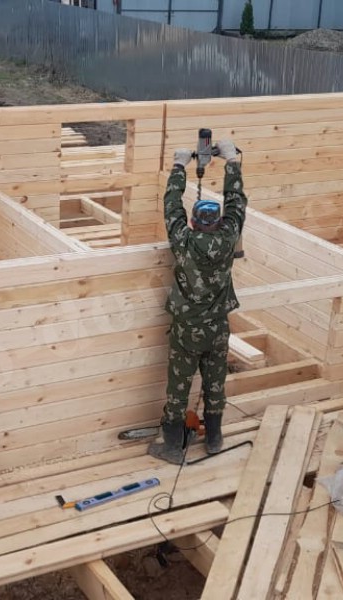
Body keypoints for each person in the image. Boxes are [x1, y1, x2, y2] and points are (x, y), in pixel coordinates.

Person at [148, 140, 247, 465]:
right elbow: (236, 203)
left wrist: (179, 166)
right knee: (215, 384)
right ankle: (214, 439)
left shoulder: (184, 239)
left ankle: (172, 445)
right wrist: (231, 161)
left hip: (187, 331)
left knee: (179, 388)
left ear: (192, 222)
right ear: (218, 222)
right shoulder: (229, 236)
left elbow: (171, 205)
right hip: (218, 328)